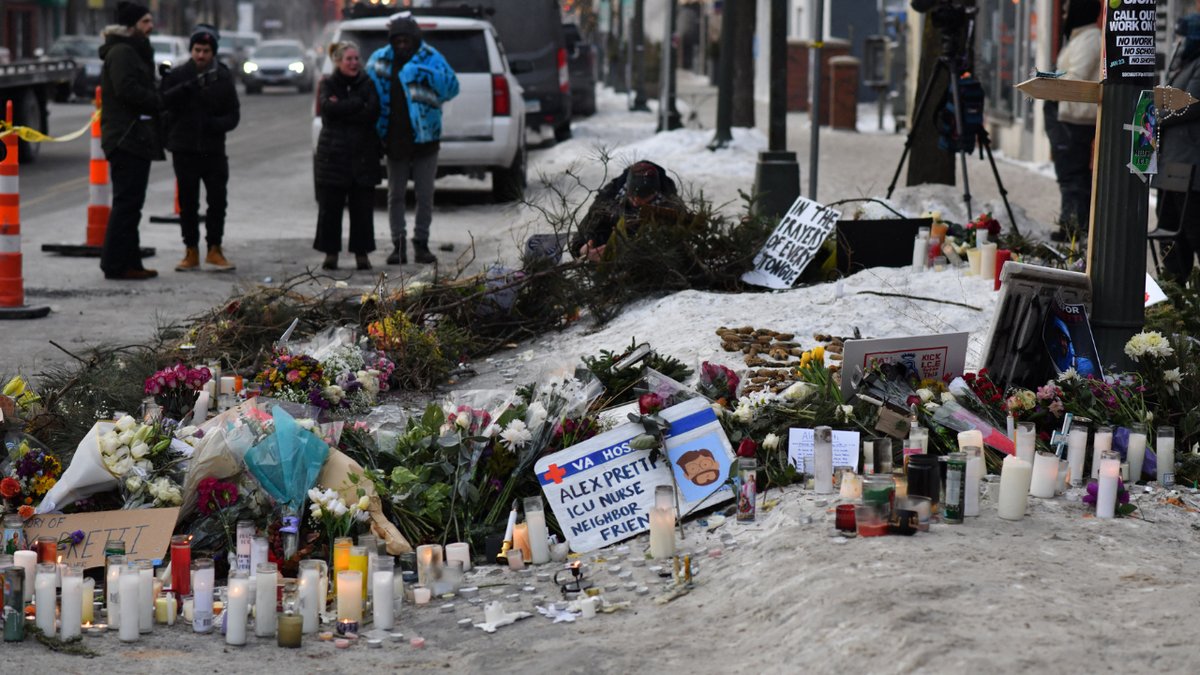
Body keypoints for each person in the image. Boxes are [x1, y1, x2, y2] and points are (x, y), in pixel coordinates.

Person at [366, 14, 459, 265]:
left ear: (416, 39)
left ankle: (421, 244)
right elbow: (366, 91)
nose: (402, 45)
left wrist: (422, 73)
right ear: (392, 40)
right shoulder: (379, 61)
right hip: (393, 140)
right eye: (398, 40)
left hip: (426, 140)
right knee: (395, 195)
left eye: (407, 40)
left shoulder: (430, 58)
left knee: (424, 195)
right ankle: (398, 246)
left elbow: (452, 87)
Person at [161, 24, 240, 273]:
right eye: (197, 50)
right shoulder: (179, 76)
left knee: (217, 201)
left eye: (206, 50)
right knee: (188, 203)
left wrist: (213, 125)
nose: (201, 55)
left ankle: (214, 248)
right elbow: (163, 103)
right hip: (184, 149)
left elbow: (233, 115)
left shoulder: (223, 77)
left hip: (213, 149)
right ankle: (191, 251)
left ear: (213, 52)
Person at [98, 1, 163, 281]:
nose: (150, 26)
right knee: (126, 204)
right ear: (132, 25)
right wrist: (157, 101)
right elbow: (128, 89)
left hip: (134, 137)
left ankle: (131, 261)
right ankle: (115, 265)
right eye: (146, 21)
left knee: (132, 204)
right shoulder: (123, 52)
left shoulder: (133, 49)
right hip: (126, 138)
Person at [313, 41, 380, 271]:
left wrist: (343, 106)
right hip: (334, 156)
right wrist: (356, 105)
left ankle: (362, 254)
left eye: (356, 58)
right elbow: (328, 110)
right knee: (330, 208)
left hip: (363, 156)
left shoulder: (367, 83)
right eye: (348, 59)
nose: (353, 63)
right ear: (338, 62)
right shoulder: (328, 83)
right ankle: (331, 254)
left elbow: (372, 112)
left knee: (362, 209)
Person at [1043, 0, 1101, 242]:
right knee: (1069, 173)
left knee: (1072, 175)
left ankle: (1074, 227)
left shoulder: (1091, 39)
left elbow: (1076, 77)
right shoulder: (1080, 37)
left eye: (1067, 10)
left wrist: (1048, 80)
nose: (1064, 14)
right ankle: (1072, 225)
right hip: (1066, 114)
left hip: (1074, 118)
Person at [570, 160, 685, 262]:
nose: (635, 202)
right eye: (632, 197)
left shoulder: (671, 205)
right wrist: (583, 250)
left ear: (655, 193)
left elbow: (682, 243)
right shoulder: (607, 200)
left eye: (643, 198)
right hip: (610, 265)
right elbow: (580, 235)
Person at [1158, 11, 1200, 281]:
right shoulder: (1183, 64)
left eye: (1181, 35)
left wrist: (1157, 114)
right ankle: (1172, 296)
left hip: (1191, 166)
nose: (1176, 41)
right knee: (1168, 231)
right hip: (1171, 164)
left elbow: (1188, 102)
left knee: (1194, 230)